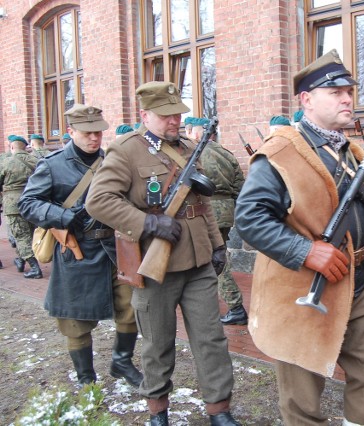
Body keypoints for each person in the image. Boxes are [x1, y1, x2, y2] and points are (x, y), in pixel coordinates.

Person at [234, 49, 364, 425]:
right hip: (302, 290)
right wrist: (304, 250)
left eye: (348, 91)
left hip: (354, 285)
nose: (346, 99)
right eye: (334, 91)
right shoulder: (280, 152)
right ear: (306, 100)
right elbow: (249, 217)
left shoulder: (348, 150)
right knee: (303, 400)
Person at [85, 81, 239, 426]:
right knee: (157, 343)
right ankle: (158, 409)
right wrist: (147, 224)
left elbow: (202, 205)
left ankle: (219, 409)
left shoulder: (187, 147)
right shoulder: (125, 151)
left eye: (177, 115)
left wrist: (216, 245)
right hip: (155, 265)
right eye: (166, 115)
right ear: (145, 115)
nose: (174, 121)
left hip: (197, 262)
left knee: (211, 339)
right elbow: (98, 201)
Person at [18, 104, 143, 389]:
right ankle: (87, 379)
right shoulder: (51, 164)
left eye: (98, 132)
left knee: (132, 307)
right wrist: (61, 216)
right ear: (71, 131)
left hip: (115, 249)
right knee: (74, 320)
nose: (94, 138)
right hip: (78, 249)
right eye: (87, 133)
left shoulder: (113, 160)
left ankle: (122, 362)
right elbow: (27, 203)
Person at [185, 116, 249, 325]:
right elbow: (240, 186)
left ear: (194, 132)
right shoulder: (226, 154)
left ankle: (234, 305)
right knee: (215, 256)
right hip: (226, 211)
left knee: (214, 260)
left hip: (202, 211)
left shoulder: (190, 153)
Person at [0, 135, 41, 278]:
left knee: (21, 235)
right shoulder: (36, 161)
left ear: (12, 147)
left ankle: (35, 268)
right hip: (33, 203)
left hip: (13, 204)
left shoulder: (6, 162)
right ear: (26, 147)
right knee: (29, 233)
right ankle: (20, 260)